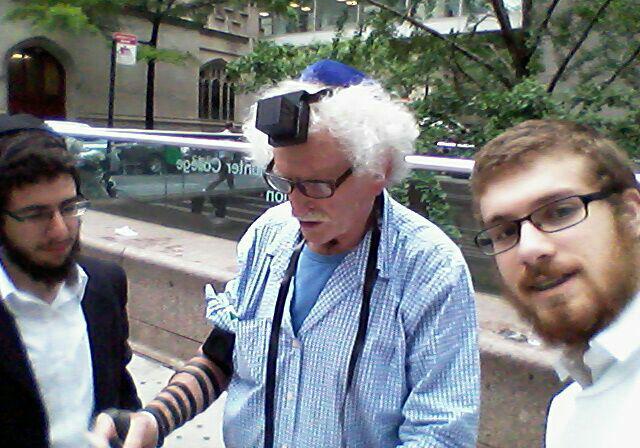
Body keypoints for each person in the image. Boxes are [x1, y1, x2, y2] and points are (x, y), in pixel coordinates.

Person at [94, 60, 480, 447]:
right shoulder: (268, 235)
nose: (295, 205)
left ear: (377, 169)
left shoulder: (429, 268)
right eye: (284, 181)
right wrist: (154, 420)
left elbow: (440, 434)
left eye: (316, 185)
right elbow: (222, 353)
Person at [470, 119, 640, 447]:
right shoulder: (567, 410)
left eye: (560, 212)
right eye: (506, 232)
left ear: (631, 214)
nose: (529, 249)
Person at [0, 114, 141, 448]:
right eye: (36, 214)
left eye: (69, 207)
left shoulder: (104, 285)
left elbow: (121, 398)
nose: (60, 230)